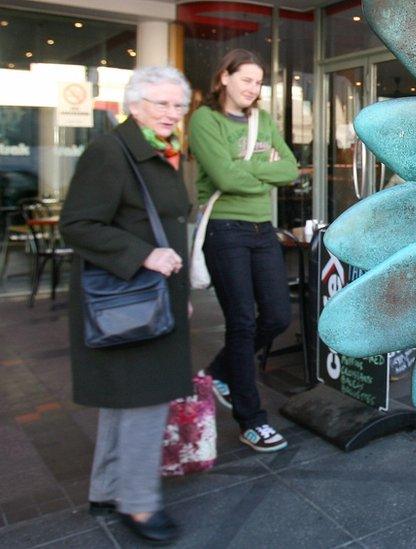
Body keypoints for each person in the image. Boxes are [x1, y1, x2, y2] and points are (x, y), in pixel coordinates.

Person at [60, 66, 193, 544]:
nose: (171, 113)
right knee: (144, 399)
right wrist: (144, 255)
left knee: (124, 399)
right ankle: (137, 504)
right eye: (160, 103)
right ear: (133, 105)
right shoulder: (110, 153)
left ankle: (106, 489)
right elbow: (76, 225)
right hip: (128, 296)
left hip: (147, 297)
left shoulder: (157, 152)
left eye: (178, 105)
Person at [189, 49, 298, 452]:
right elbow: (223, 176)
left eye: (258, 82)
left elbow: (288, 169)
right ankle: (251, 421)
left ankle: (219, 372)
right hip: (225, 229)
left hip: (261, 228)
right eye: (246, 79)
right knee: (241, 322)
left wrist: (244, 169)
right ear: (224, 78)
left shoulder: (263, 120)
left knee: (276, 315)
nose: (253, 88)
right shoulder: (205, 120)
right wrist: (258, 171)